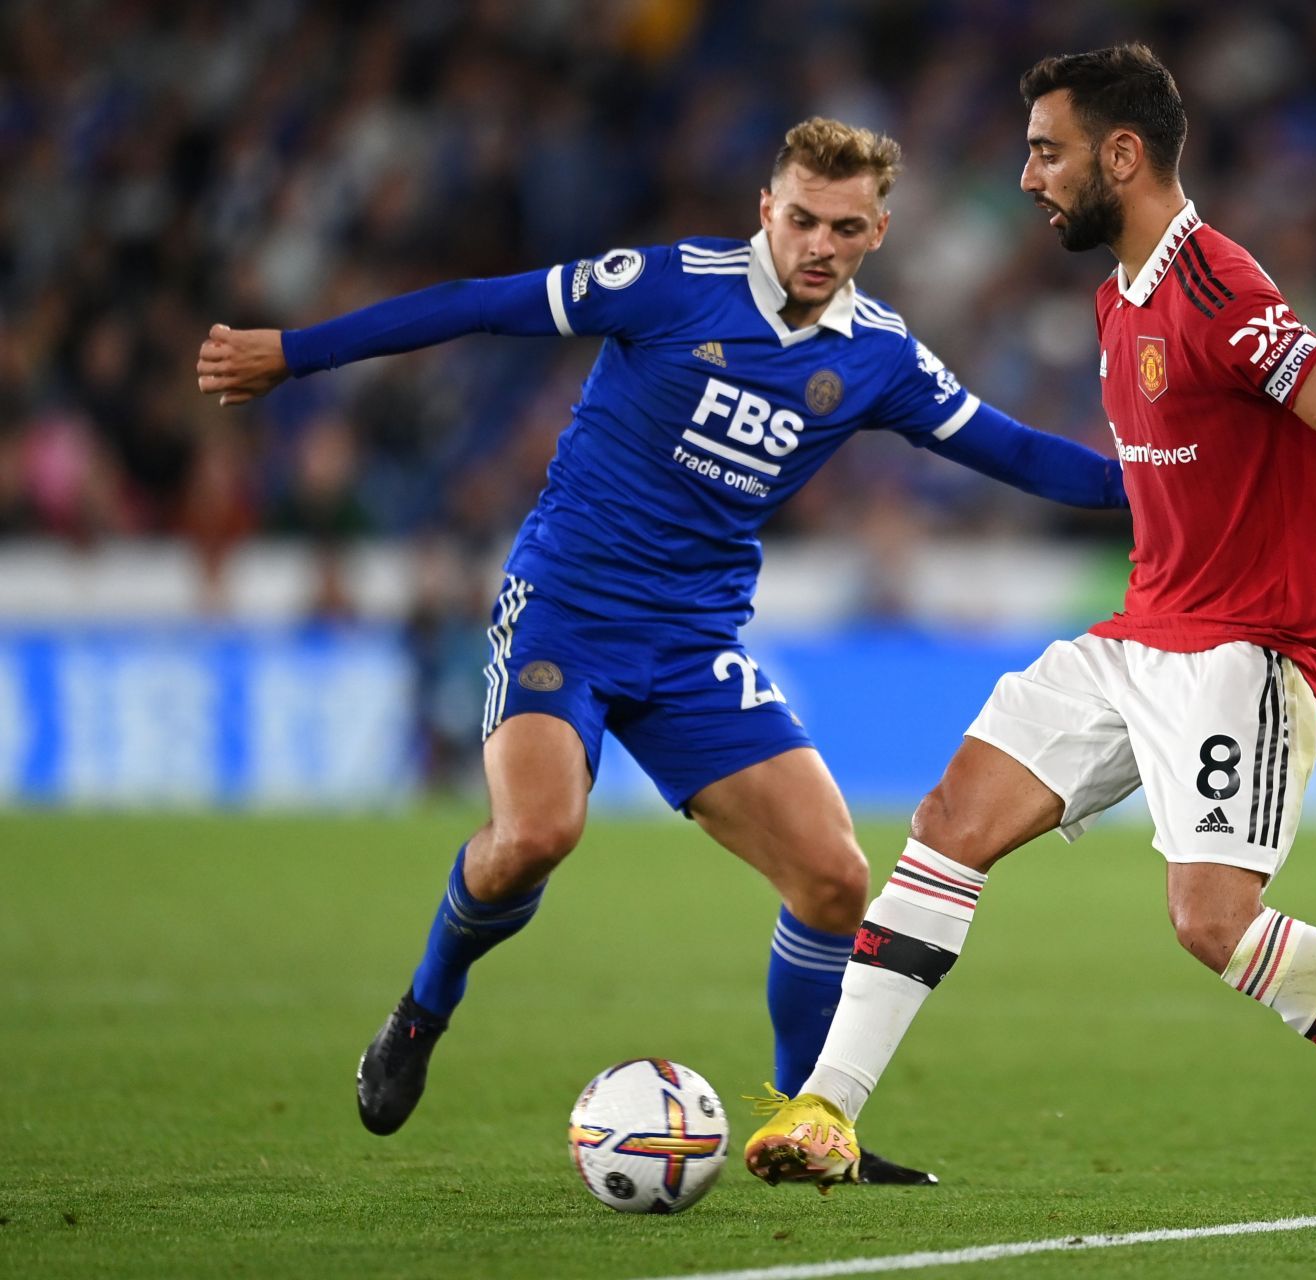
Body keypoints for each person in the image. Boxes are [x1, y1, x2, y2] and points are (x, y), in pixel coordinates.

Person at [195, 118, 1128, 1185]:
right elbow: (481, 303)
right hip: (568, 609)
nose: (818, 243)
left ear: (878, 231)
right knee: (537, 832)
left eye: (844, 226)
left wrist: (1162, 481)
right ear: (765, 212)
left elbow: (1014, 450)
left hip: (692, 642)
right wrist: (294, 353)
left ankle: (807, 1121)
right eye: (800, 219)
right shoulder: (669, 284)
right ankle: (422, 1008)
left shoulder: (879, 358)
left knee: (833, 878)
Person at [744, 48, 1316, 1230]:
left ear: (1121, 155)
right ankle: (826, 1105)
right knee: (950, 823)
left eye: (1046, 150)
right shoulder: (1118, 297)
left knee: (1210, 922)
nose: (1027, 176)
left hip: (1243, 652)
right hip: (1140, 633)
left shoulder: (1218, 289)